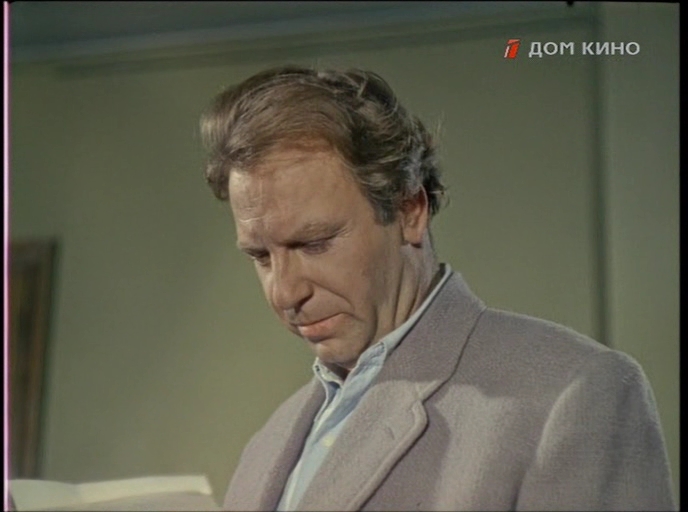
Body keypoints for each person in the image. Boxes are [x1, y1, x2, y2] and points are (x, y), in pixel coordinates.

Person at [199, 65, 675, 511]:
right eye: (261, 257)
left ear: (410, 210)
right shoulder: (270, 441)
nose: (284, 294)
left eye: (315, 243)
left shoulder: (573, 395)